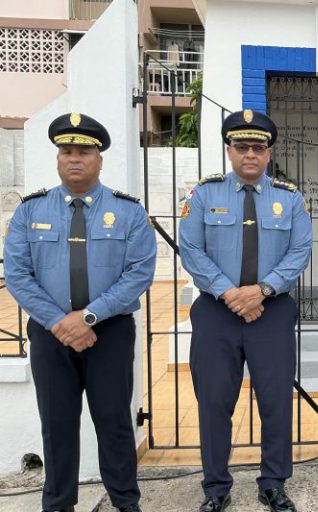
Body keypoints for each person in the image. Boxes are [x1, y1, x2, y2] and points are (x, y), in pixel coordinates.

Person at [4, 112, 157, 512]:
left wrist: (88, 317)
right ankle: (58, 505)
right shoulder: (30, 211)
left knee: (115, 422)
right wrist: (60, 322)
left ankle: (126, 502)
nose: (74, 159)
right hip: (50, 334)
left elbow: (139, 272)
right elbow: (17, 274)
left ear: (99, 160)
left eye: (84, 152)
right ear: (58, 158)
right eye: (66, 151)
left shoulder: (128, 212)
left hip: (109, 332)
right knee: (56, 425)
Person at [179, 110, 312, 512]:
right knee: (214, 401)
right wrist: (229, 293)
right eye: (242, 146)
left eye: (258, 147)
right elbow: (191, 249)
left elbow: (300, 251)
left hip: (272, 311)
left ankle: (273, 483)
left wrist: (262, 291)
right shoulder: (204, 195)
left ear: (269, 153)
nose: (250, 154)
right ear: (229, 150)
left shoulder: (290, 198)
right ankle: (216, 486)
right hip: (216, 311)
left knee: (275, 400)